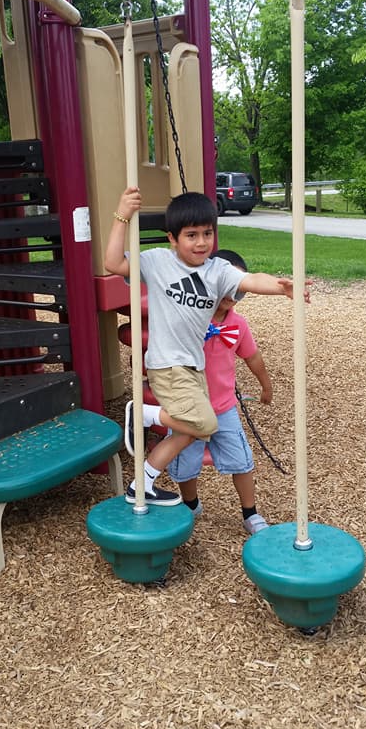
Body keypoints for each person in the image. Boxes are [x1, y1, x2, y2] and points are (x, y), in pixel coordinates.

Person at [104, 187, 308, 507]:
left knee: (190, 431)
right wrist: (122, 216)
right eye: (191, 235)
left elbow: (251, 279)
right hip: (167, 365)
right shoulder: (157, 262)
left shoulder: (217, 271)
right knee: (206, 424)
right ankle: (145, 414)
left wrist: (280, 287)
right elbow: (112, 262)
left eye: (207, 233)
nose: (201, 242)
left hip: (193, 367)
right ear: (172, 239)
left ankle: (141, 484)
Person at [168, 249, 272, 534]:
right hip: (188, 408)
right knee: (185, 462)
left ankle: (250, 513)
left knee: (241, 460)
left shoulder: (238, 325)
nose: (232, 293)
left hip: (224, 408)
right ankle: (190, 504)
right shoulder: (188, 317)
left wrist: (266, 385)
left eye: (239, 288)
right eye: (226, 284)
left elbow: (252, 357)